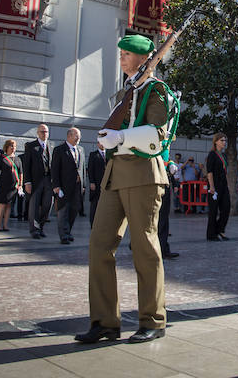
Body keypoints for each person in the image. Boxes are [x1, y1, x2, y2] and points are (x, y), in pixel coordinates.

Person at [76, 34, 177, 345]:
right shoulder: (125, 92)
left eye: (127, 53)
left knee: (145, 249)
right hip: (114, 175)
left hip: (144, 173)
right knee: (99, 245)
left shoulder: (157, 90)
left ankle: (153, 320)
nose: (121, 57)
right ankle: (105, 321)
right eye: (121, 52)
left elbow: (160, 135)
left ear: (143, 57)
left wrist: (121, 138)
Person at [51, 127, 85, 244]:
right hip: (64, 186)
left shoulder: (80, 150)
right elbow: (55, 169)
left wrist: (83, 184)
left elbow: (82, 169)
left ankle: (68, 230)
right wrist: (56, 185)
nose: (78, 138)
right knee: (63, 210)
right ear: (69, 136)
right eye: (76, 135)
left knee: (74, 209)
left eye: (79, 135)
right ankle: (63, 235)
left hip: (77, 186)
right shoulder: (59, 150)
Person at [23, 125, 53, 239]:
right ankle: (34, 229)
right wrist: (27, 182)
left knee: (47, 205)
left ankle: (41, 226)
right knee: (34, 206)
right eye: (42, 132)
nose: (44, 134)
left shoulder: (51, 145)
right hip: (35, 180)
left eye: (46, 132)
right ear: (37, 133)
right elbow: (26, 165)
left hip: (48, 180)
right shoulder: (31, 146)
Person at [205, 133, 231, 242]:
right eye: (222, 140)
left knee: (226, 208)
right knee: (213, 211)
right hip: (214, 185)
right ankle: (211, 234)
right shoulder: (212, 155)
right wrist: (211, 186)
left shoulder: (224, 155)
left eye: (225, 140)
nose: (224, 143)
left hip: (223, 185)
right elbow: (209, 172)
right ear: (216, 142)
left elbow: (225, 171)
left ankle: (220, 230)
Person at [0, 139, 22, 232]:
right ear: (7, 147)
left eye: (14, 146)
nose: (13, 147)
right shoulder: (1, 158)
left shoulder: (18, 159)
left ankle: (5, 225)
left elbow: (21, 173)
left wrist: (20, 184)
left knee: (9, 206)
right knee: (2, 205)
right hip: (3, 185)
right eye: (11, 146)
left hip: (13, 186)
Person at [158, 157, 179, 259]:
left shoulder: (165, 148)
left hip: (165, 187)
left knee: (164, 220)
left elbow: (167, 164)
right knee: (157, 221)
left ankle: (164, 248)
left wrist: (174, 184)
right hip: (155, 186)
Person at [87, 143, 107, 227]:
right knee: (94, 204)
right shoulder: (93, 155)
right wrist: (91, 182)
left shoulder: (108, 155)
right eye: (100, 143)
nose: (102, 145)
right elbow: (90, 169)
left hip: (106, 184)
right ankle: (93, 224)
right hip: (96, 183)